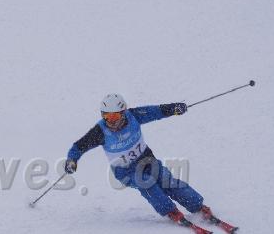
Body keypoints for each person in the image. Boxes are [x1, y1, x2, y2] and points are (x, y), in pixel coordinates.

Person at [65, 93, 215, 225]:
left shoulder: (134, 116)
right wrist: (72, 160)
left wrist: (174, 108)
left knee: (166, 180)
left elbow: (156, 111)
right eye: (107, 116)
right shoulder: (100, 131)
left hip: (147, 160)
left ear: (123, 112)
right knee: (146, 183)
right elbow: (79, 146)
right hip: (126, 171)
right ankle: (170, 211)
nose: (111, 121)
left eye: (115, 116)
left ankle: (197, 206)